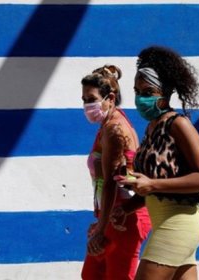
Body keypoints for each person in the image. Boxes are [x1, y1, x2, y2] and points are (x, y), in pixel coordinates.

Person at [118, 46, 199, 280]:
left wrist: (151, 184)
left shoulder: (178, 124)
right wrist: (128, 207)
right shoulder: (151, 127)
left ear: (165, 93)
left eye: (148, 91)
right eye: (137, 91)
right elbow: (156, 186)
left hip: (179, 223)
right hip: (169, 222)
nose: (141, 98)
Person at [80, 64, 151, 280]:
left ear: (110, 97)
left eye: (91, 99)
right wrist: (102, 220)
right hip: (113, 215)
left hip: (124, 218)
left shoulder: (114, 130)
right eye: (84, 100)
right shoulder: (108, 125)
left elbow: (111, 182)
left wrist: (102, 229)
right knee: (93, 275)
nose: (86, 105)